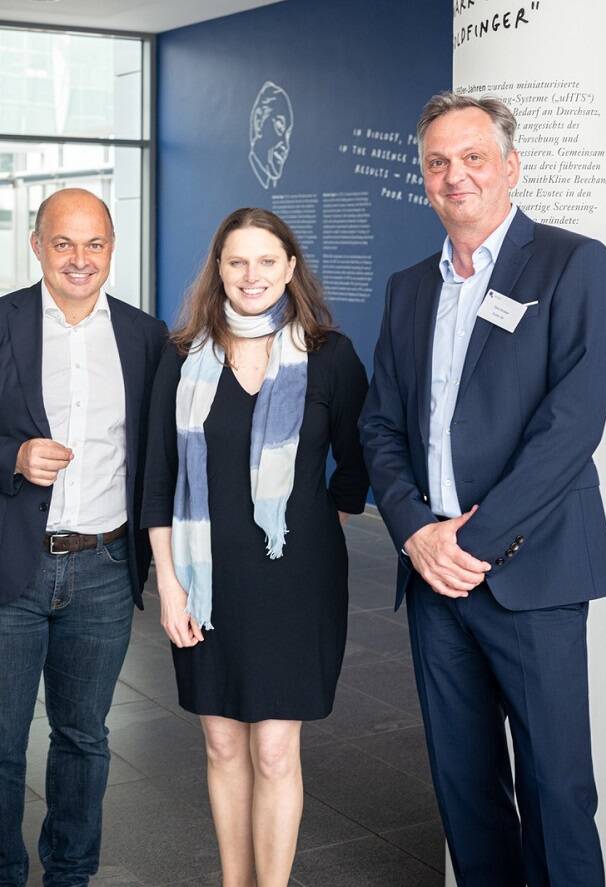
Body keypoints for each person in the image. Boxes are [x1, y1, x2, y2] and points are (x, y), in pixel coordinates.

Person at [359, 92, 606, 887]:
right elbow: (380, 426)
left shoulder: (573, 262)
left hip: (530, 571)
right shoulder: (410, 289)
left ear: (509, 166)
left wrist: (465, 544)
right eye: (437, 162)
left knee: (557, 789)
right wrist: (415, 532)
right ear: (425, 179)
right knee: (465, 789)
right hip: (435, 574)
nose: (455, 175)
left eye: (473, 157)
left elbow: (571, 427)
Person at [0, 188, 167, 887]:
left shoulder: (146, 338)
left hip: (103, 566)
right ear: (37, 246)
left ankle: (71, 873)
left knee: (84, 736)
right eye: (64, 243)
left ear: (112, 249)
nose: (80, 259)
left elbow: (161, 452)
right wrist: (12, 456)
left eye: (95, 244)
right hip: (7, 565)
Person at [142, 207, 368, 886]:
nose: (252, 275)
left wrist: (316, 522)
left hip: (296, 581)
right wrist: (170, 587)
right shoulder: (181, 357)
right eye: (237, 261)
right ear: (218, 270)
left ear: (291, 267)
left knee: (274, 750)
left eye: (267, 260)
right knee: (220, 742)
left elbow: (359, 463)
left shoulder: (330, 356)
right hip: (205, 579)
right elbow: (158, 480)